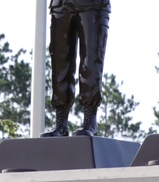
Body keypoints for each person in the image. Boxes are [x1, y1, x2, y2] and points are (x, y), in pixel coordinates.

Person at [41, 0, 110, 137]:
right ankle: (61, 123)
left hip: (92, 5)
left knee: (91, 61)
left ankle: (89, 120)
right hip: (61, 5)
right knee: (60, 63)